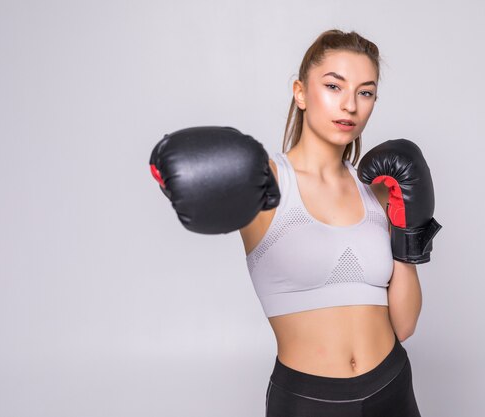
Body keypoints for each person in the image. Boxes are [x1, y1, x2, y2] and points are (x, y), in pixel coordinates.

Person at [149, 29, 441, 416]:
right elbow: (192, 172)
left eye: (365, 92)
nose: (350, 105)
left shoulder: (380, 189)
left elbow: (404, 326)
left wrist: (408, 233)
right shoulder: (265, 182)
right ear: (300, 92)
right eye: (334, 86)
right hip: (308, 402)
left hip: (393, 388)